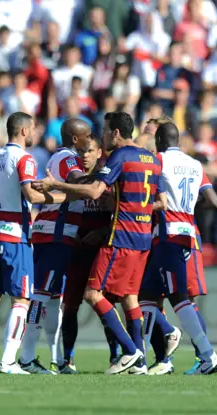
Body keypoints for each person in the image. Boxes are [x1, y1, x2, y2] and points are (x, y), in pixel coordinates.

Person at [33, 111, 166, 374]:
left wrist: (54, 184)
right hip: (141, 238)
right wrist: (121, 203)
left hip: (119, 237)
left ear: (116, 133)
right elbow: (161, 201)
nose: (102, 137)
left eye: (105, 131)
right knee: (129, 298)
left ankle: (131, 352)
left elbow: (93, 190)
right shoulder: (151, 159)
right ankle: (134, 360)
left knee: (95, 295)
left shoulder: (118, 158)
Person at [0, 112, 68, 374]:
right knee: (21, 300)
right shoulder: (25, 158)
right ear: (23, 131)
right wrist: (64, 196)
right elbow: (30, 195)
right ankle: (9, 361)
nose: (35, 134)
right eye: (33, 129)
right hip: (14, 235)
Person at [139, 122, 217, 375]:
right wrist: (188, 210)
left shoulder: (159, 161)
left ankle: (209, 355)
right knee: (145, 296)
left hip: (168, 235)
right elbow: (214, 201)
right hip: (186, 233)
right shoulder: (196, 165)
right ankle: (149, 358)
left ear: (160, 141)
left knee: (178, 298)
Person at [18, 118, 92, 374]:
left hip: (57, 232)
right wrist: (101, 179)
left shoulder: (60, 157)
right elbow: (81, 183)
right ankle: (26, 357)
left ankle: (57, 358)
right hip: (55, 232)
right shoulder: (67, 158)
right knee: (41, 294)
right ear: (75, 138)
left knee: (53, 299)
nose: (90, 140)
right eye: (87, 136)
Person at [60, 135, 112, 373]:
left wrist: (102, 232)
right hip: (76, 249)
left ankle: (117, 357)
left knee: (104, 304)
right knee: (69, 306)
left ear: (99, 152)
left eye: (89, 150)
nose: (84, 155)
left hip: (100, 251)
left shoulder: (108, 179)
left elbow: (121, 215)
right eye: (81, 151)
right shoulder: (72, 181)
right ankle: (67, 359)